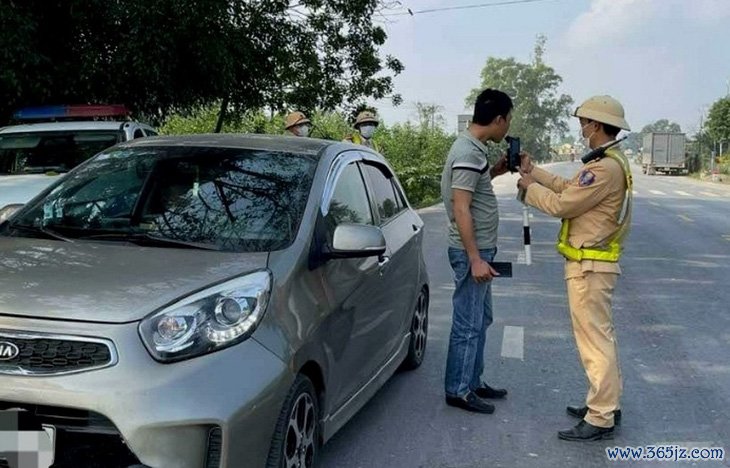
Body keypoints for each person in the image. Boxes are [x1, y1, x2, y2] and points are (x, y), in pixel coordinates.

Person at [517, 95, 633, 441]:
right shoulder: (607, 162)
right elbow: (570, 188)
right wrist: (533, 171)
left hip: (590, 267)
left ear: (596, 125)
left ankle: (600, 416)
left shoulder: (604, 168)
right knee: (599, 339)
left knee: (595, 343)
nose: (581, 128)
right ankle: (605, 404)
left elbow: (563, 204)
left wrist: (527, 188)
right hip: (591, 265)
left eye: (584, 122)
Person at [441, 88, 525, 414]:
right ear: (499, 119)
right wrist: (475, 258)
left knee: (481, 317)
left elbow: (471, 189)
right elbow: (461, 207)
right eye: (509, 121)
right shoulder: (468, 152)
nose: (508, 129)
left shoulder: (474, 150)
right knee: (468, 322)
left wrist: (498, 172)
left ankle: (472, 380)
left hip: (480, 249)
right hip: (471, 252)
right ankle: (459, 390)